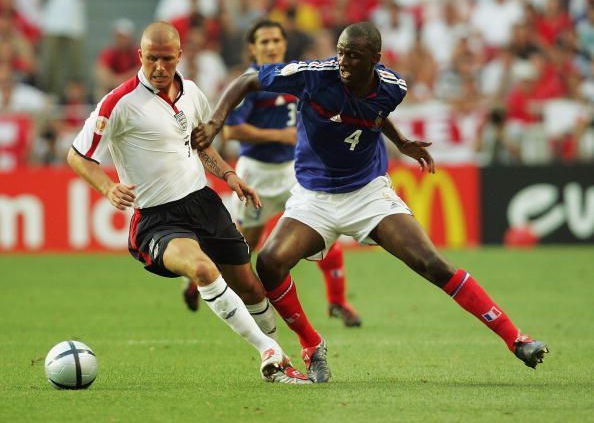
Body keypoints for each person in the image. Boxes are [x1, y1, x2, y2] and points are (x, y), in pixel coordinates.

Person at [192, 21, 549, 383]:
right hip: (314, 196)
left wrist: (401, 142)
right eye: (341, 51)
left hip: (367, 193)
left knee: (433, 264)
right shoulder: (314, 76)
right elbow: (246, 81)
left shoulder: (394, 87)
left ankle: (517, 339)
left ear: (375, 60)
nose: (343, 61)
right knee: (269, 263)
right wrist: (217, 122)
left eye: (354, 56)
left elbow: (377, 113)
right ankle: (312, 345)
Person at [66, 21, 311, 385]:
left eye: (167, 59)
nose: (160, 68)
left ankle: (280, 364)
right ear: (140, 56)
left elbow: (201, 144)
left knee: (251, 287)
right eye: (152, 59)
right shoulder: (118, 103)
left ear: (180, 56)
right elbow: (77, 155)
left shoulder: (193, 92)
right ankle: (268, 351)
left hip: (203, 203)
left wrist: (229, 176)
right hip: (157, 219)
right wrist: (106, 188)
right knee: (202, 269)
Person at [182, 19, 362, 328]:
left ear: (283, 43)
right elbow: (235, 130)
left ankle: (338, 302)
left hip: (295, 171)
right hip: (257, 174)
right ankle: (202, 275)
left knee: (326, 235)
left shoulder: (296, 76)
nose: (271, 46)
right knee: (242, 248)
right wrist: (281, 135)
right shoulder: (249, 82)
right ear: (253, 48)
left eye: (275, 40)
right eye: (263, 41)